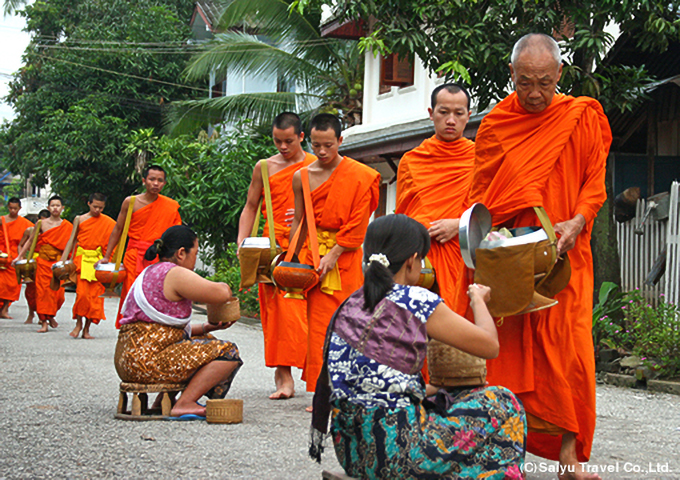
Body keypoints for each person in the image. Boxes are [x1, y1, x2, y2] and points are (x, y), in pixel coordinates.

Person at [454, 33, 611, 479]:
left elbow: (594, 185)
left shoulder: (581, 117)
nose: (536, 93)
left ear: (560, 74)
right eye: (526, 83)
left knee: (570, 352)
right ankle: (506, 450)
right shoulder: (496, 126)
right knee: (513, 354)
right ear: (512, 76)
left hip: (567, 258)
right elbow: (480, 197)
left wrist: (577, 222)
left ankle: (570, 457)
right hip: (513, 258)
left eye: (545, 81)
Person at [310, 214, 526, 479]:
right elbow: (490, 345)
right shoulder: (416, 300)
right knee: (505, 402)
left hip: (353, 455)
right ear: (412, 261)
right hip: (397, 454)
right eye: (422, 259)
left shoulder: (350, 304)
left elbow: (380, 383)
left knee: (444, 398)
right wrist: (478, 299)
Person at [289, 113, 380, 401]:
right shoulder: (301, 176)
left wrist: (335, 253)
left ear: (340, 140)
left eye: (329, 144)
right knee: (318, 326)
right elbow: (300, 221)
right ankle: (320, 389)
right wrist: (290, 257)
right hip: (313, 257)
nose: (323, 151)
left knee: (348, 322)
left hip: (346, 259)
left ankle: (346, 384)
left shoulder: (361, 176)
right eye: (316, 145)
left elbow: (359, 222)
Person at [114, 225, 242, 419]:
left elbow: (164, 329)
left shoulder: (150, 272)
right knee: (227, 351)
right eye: (195, 253)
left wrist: (206, 327)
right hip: (148, 362)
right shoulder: (173, 273)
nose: (194, 260)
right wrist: (225, 285)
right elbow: (222, 294)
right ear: (181, 253)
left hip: (129, 360)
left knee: (206, 338)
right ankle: (185, 403)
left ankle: (163, 401)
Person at [237, 112, 315, 400]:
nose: (282, 147)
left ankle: (314, 374)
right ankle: (284, 377)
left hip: (307, 244)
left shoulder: (315, 164)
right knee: (276, 315)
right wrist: (242, 242)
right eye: (277, 141)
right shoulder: (264, 167)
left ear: (302, 137)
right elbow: (250, 205)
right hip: (273, 249)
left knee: (307, 313)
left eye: (289, 141)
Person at [396, 84, 475, 306]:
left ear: (468, 116)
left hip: (466, 259)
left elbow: (492, 213)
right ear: (431, 114)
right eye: (443, 112)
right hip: (422, 261)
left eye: (458, 114)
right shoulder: (412, 161)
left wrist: (459, 225)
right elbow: (403, 215)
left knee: (462, 327)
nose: (451, 120)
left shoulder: (481, 160)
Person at [101, 165, 181, 327]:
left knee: (156, 297)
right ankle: (129, 330)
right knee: (132, 295)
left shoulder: (171, 206)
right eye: (152, 179)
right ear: (144, 181)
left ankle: (151, 333)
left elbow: (175, 235)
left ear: (164, 183)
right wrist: (107, 256)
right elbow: (118, 229)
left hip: (158, 258)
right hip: (134, 256)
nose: (155, 183)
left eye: (160, 180)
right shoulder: (131, 203)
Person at [60, 193, 116, 339]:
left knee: (95, 298)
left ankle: (86, 329)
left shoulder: (108, 222)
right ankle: (78, 323)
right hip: (82, 260)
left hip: (98, 263)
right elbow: (72, 240)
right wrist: (63, 260)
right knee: (82, 295)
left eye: (101, 208)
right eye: (95, 206)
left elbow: (111, 243)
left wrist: (107, 260)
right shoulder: (80, 219)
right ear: (89, 204)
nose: (98, 210)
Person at [15, 196, 73, 333]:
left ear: (62, 208)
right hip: (43, 262)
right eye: (52, 205)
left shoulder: (67, 226)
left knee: (59, 295)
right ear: (48, 208)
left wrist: (69, 262)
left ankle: (51, 315)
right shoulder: (41, 223)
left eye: (58, 205)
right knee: (42, 293)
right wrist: (20, 256)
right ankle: (44, 322)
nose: (55, 208)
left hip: (58, 263)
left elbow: (71, 245)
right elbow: (30, 241)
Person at [0, 198, 34, 319]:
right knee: (1, 284)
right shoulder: (1, 220)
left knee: (13, 285)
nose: (13, 211)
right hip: (2, 256)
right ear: (7, 207)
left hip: (16, 256)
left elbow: (34, 236)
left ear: (20, 208)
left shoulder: (25, 223)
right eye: (10, 208)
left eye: (15, 208)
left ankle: (5, 309)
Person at [18, 209, 50, 324]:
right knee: (31, 291)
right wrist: (21, 258)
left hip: (46, 262)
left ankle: (45, 316)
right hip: (33, 262)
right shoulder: (30, 231)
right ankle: (31, 313)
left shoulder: (54, 231)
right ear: (38, 221)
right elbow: (21, 245)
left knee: (47, 290)